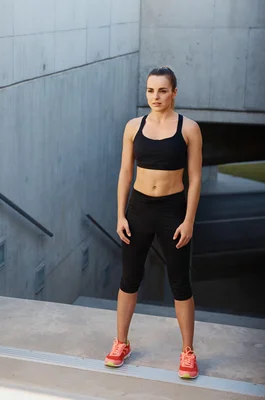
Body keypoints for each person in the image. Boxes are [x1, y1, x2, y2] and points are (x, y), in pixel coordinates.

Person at [104, 66, 203, 379]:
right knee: (129, 278)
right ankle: (121, 342)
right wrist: (120, 214)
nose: (155, 97)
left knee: (180, 282)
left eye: (162, 90)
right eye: (150, 90)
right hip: (139, 208)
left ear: (174, 92)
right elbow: (124, 173)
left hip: (173, 210)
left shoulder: (189, 129)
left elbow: (196, 178)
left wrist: (188, 220)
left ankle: (188, 352)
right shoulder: (133, 126)